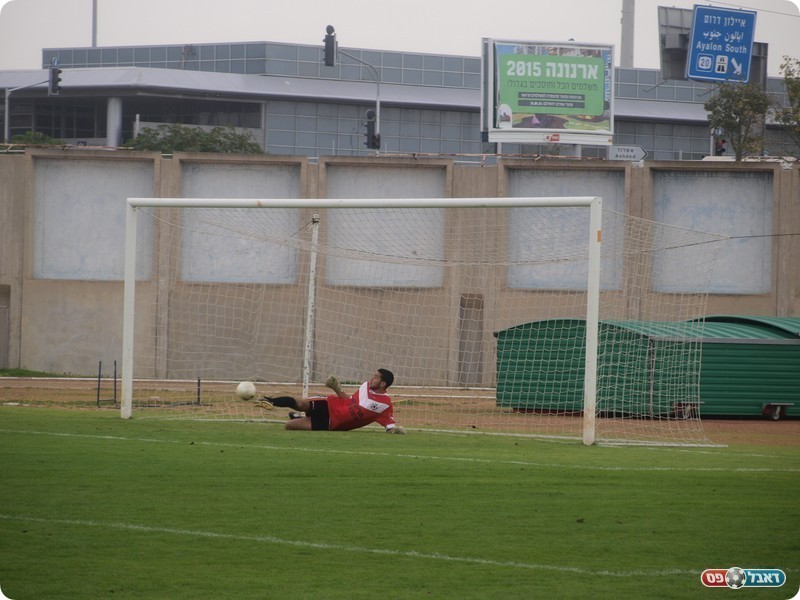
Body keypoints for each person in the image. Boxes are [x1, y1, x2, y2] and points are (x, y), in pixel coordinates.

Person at [264, 369, 406, 434]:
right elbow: (349, 401)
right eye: (373, 375)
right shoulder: (365, 386)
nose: (372, 378)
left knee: (289, 426)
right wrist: (336, 388)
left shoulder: (385, 405)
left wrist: (396, 431)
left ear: (383, 384)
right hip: (329, 404)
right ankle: (270, 401)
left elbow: (390, 426)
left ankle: (299, 418)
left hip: (331, 423)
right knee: (300, 404)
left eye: (376, 377)